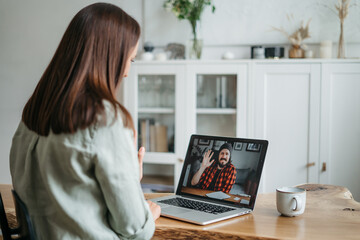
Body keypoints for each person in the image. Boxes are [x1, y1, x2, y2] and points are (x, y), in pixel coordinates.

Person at [9, 3, 160, 239]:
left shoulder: (33, 112)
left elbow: (67, 197)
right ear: (109, 58)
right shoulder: (105, 119)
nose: (127, 72)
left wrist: (128, 177)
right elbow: (133, 230)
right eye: (129, 60)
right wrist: (145, 208)